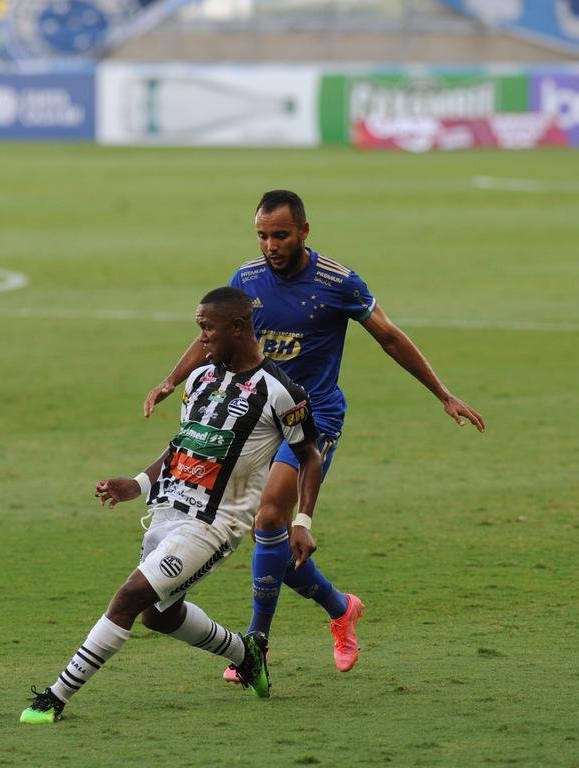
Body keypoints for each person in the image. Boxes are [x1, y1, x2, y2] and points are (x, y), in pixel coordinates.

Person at [144, 189, 485, 680]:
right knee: (271, 541)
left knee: (268, 519)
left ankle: (255, 647)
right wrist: (170, 380)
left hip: (314, 415)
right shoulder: (247, 279)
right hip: (257, 419)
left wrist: (443, 393)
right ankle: (340, 608)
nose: (270, 245)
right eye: (262, 235)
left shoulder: (337, 282)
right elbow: (215, 334)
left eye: (280, 234)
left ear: (304, 231)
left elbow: (388, 336)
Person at [21, 286, 325, 724]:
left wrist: (302, 520)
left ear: (237, 329)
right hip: (168, 512)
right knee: (157, 616)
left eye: (207, 329)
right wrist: (140, 482)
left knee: (127, 598)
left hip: (214, 525)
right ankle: (247, 654)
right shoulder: (201, 379)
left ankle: (55, 696)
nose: (201, 339)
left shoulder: (280, 391)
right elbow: (185, 445)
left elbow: (309, 456)